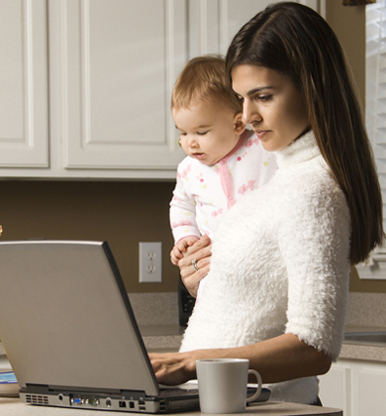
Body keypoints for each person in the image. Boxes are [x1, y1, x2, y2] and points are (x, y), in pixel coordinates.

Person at [150, 1, 384, 405]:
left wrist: (189, 363)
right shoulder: (278, 180)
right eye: (241, 99)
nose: (248, 116)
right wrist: (203, 279)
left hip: (271, 408)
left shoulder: (312, 190)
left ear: (313, 86)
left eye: (263, 96)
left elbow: (313, 347)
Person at [169, 56, 277, 298]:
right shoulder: (189, 169)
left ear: (238, 124)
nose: (190, 142)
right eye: (182, 132)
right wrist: (185, 236)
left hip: (263, 265)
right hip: (214, 270)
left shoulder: (263, 148)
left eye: (201, 131)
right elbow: (180, 204)